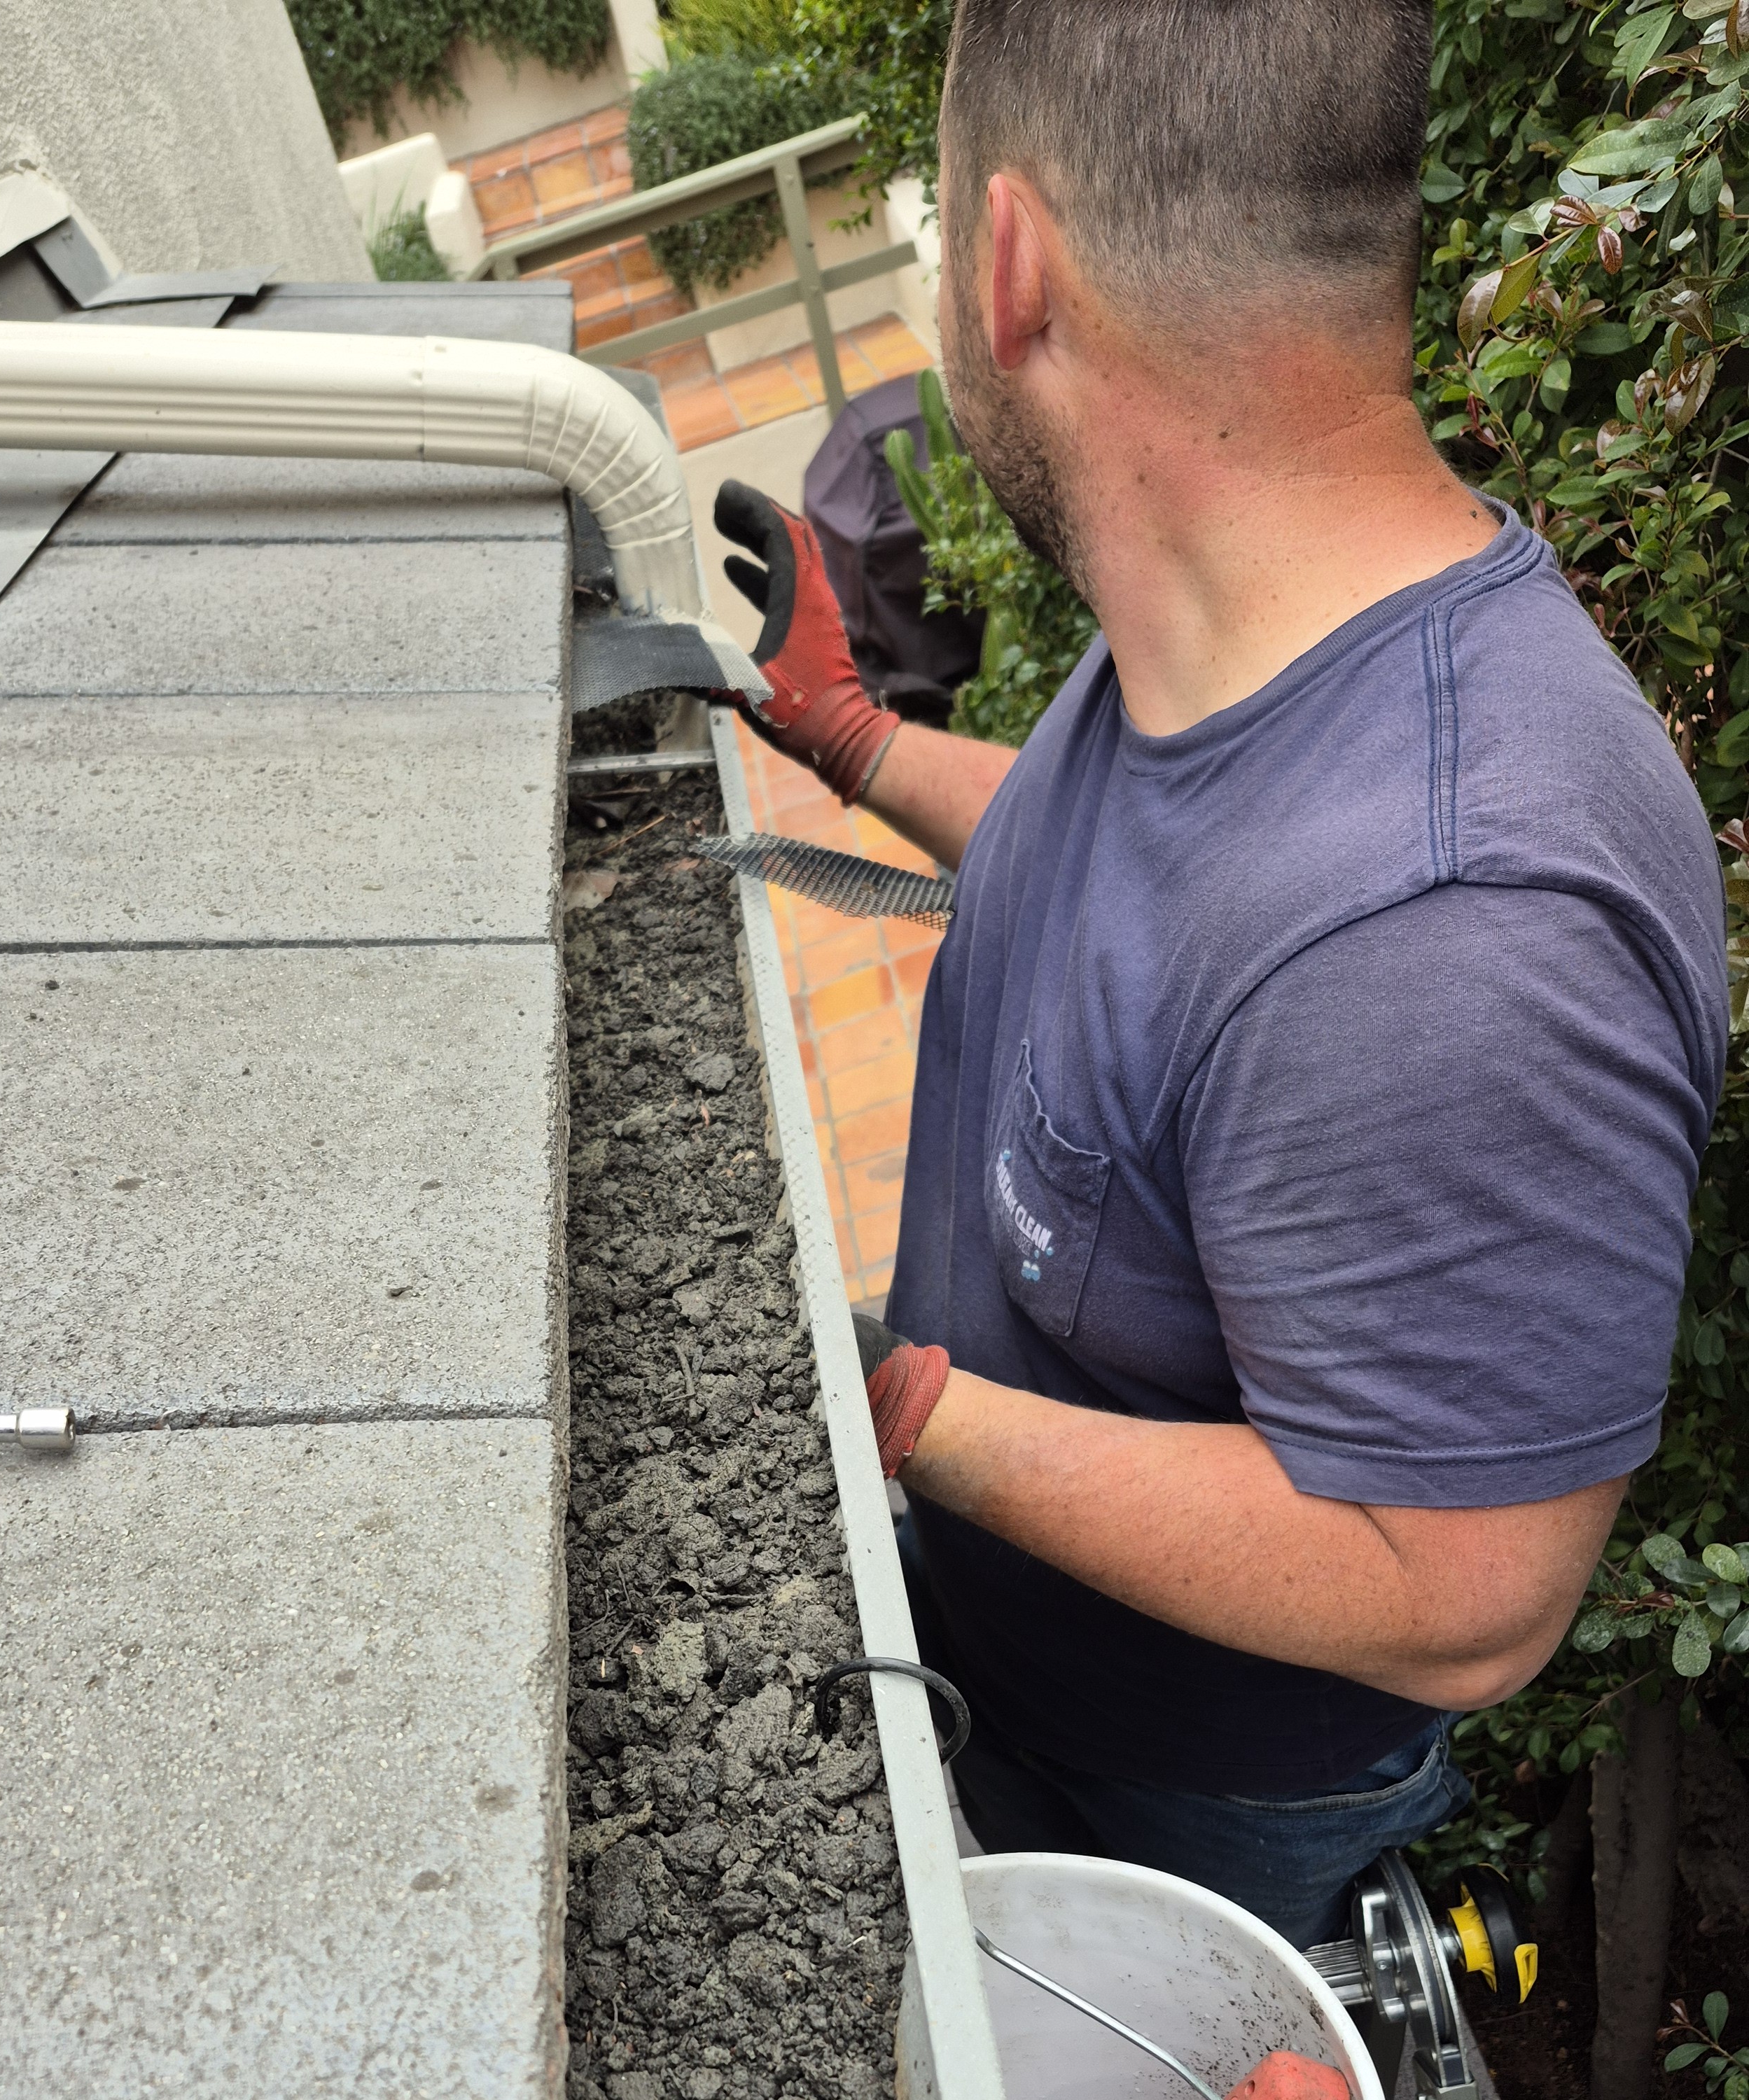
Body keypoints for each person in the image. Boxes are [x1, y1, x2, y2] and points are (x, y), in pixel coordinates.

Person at [710, 0, 1728, 1949]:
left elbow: (1464, 1586)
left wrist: (902, 1410)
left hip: (1170, 1793)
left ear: (1008, 259)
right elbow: (1164, 914)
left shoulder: (1448, 917)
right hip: (1032, 1655)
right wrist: (851, 741)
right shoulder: (1247, 634)